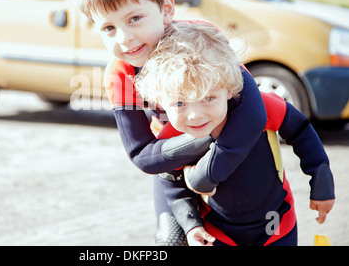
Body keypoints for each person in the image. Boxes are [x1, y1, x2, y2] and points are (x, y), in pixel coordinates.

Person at [76, 0, 267, 245]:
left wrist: (210, 171)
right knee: (169, 240)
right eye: (108, 27)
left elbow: (253, 113)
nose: (124, 37)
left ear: (166, 9)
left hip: (238, 159)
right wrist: (205, 141)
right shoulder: (119, 74)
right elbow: (142, 155)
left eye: (135, 18)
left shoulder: (203, 40)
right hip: (173, 172)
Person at [135, 22, 336, 246]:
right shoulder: (170, 140)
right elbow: (174, 189)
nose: (195, 115)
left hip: (276, 224)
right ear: (160, 101)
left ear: (229, 86)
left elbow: (301, 130)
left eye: (208, 98)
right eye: (180, 103)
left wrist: (321, 180)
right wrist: (192, 226)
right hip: (218, 232)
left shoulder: (261, 107)